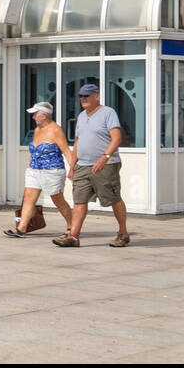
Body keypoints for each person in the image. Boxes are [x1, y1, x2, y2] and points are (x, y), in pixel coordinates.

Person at [54, 84, 130, 248]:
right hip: (82, 165)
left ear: (97, 96)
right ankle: (73, 236)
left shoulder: (108, 113)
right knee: (79, 201)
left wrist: (104, 158)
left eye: (87, 95)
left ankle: (123, 233)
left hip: (106, 165)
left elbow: (117, 138)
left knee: (113, 199)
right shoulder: (81, 116)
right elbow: (78, 142)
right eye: (81, 96)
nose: (83, 98)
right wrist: (73, 166)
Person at [4, 102, 73, 237]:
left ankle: (72, 226)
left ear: (44, 115)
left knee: (57, 199)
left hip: (52, 171)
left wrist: (73, 170)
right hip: (34, 170)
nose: (33, 117)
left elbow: (66, 151)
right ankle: (21, 228)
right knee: (29, 197)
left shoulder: (55, 130)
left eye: (35, 114)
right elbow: (34, 151)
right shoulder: (36, 130)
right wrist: (30, 166)